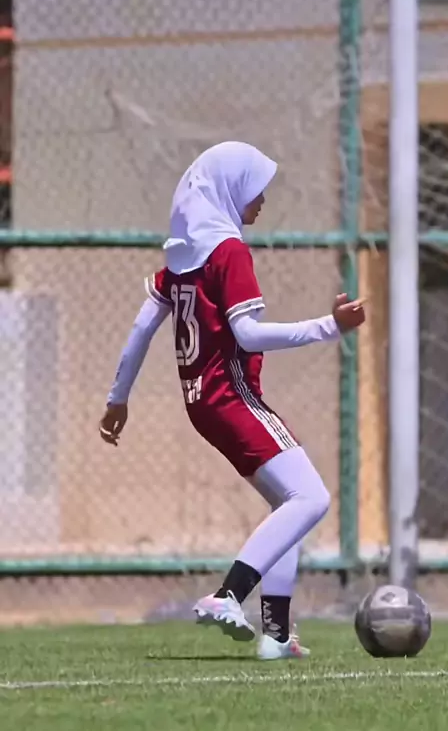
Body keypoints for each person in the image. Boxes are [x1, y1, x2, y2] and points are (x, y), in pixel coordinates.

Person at [99, 141, 365, 661]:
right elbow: (247, 334)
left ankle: (277, 636)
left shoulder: (180, 260)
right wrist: (329, 327)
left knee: (290, 505)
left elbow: (141, 328)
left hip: (203, 402)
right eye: (254, 188)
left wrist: (118, 399)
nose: (261, 199)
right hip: (233, 394)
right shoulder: (228, 252)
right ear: (228, 189)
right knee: (311, 499)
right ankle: (227, 596)